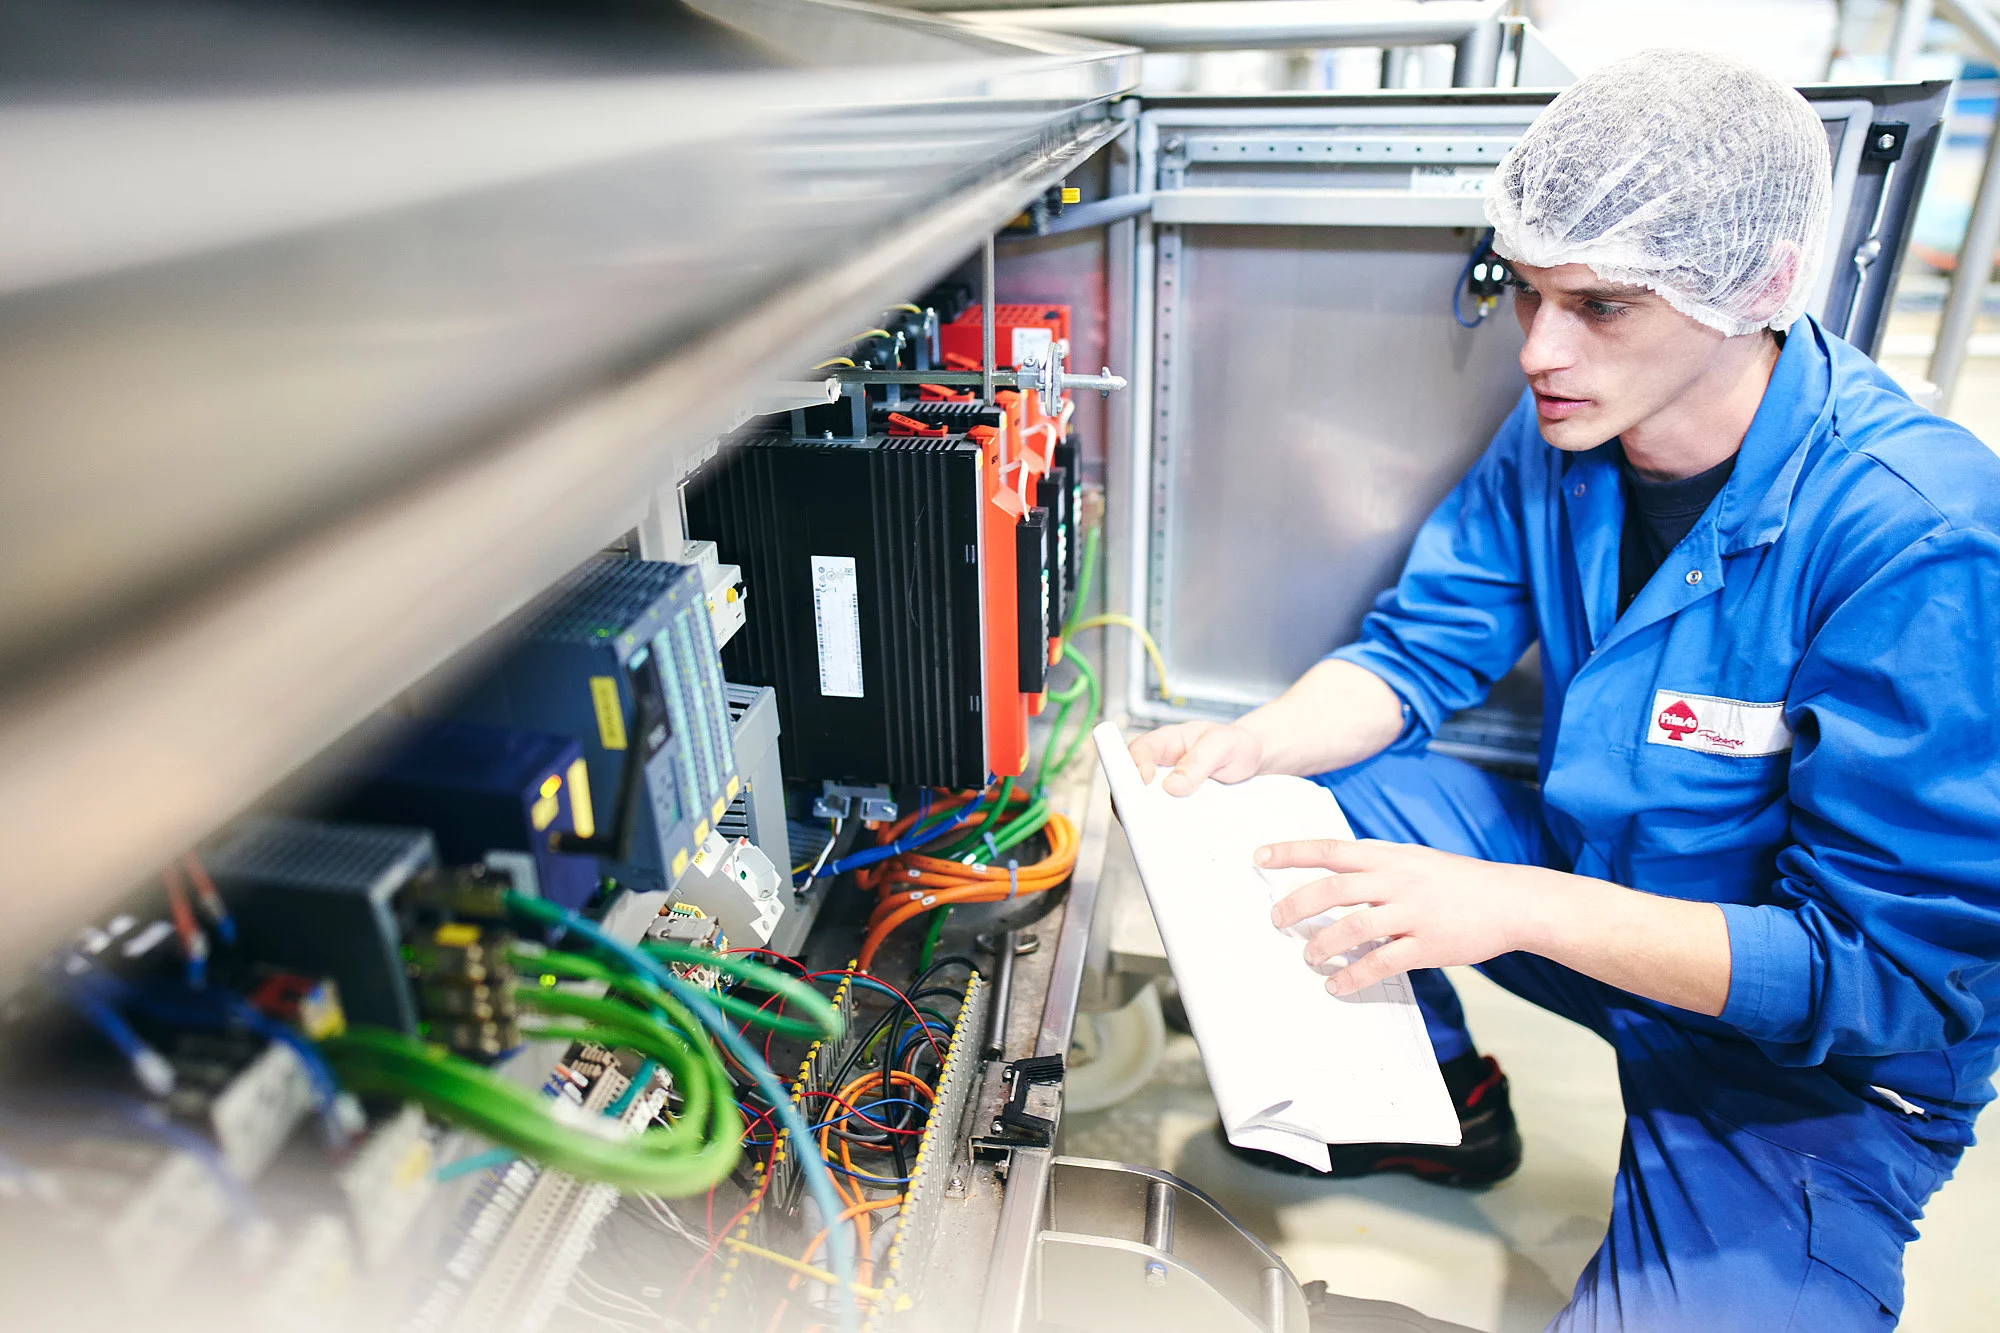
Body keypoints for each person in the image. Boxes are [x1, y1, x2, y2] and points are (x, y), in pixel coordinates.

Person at [1130, 48, 2000, 1332]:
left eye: (1597, 305)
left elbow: (1888, 974)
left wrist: (1513, 904)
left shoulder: (1919, 534)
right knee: (1302, 804)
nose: (1539, 349)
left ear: (1755, 288)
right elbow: (1419, 653)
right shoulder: (1565, 433)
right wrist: (1249, 749)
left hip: (1802, 1067)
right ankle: (1439, 1107)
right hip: (1595, 887)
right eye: (1523, 292)